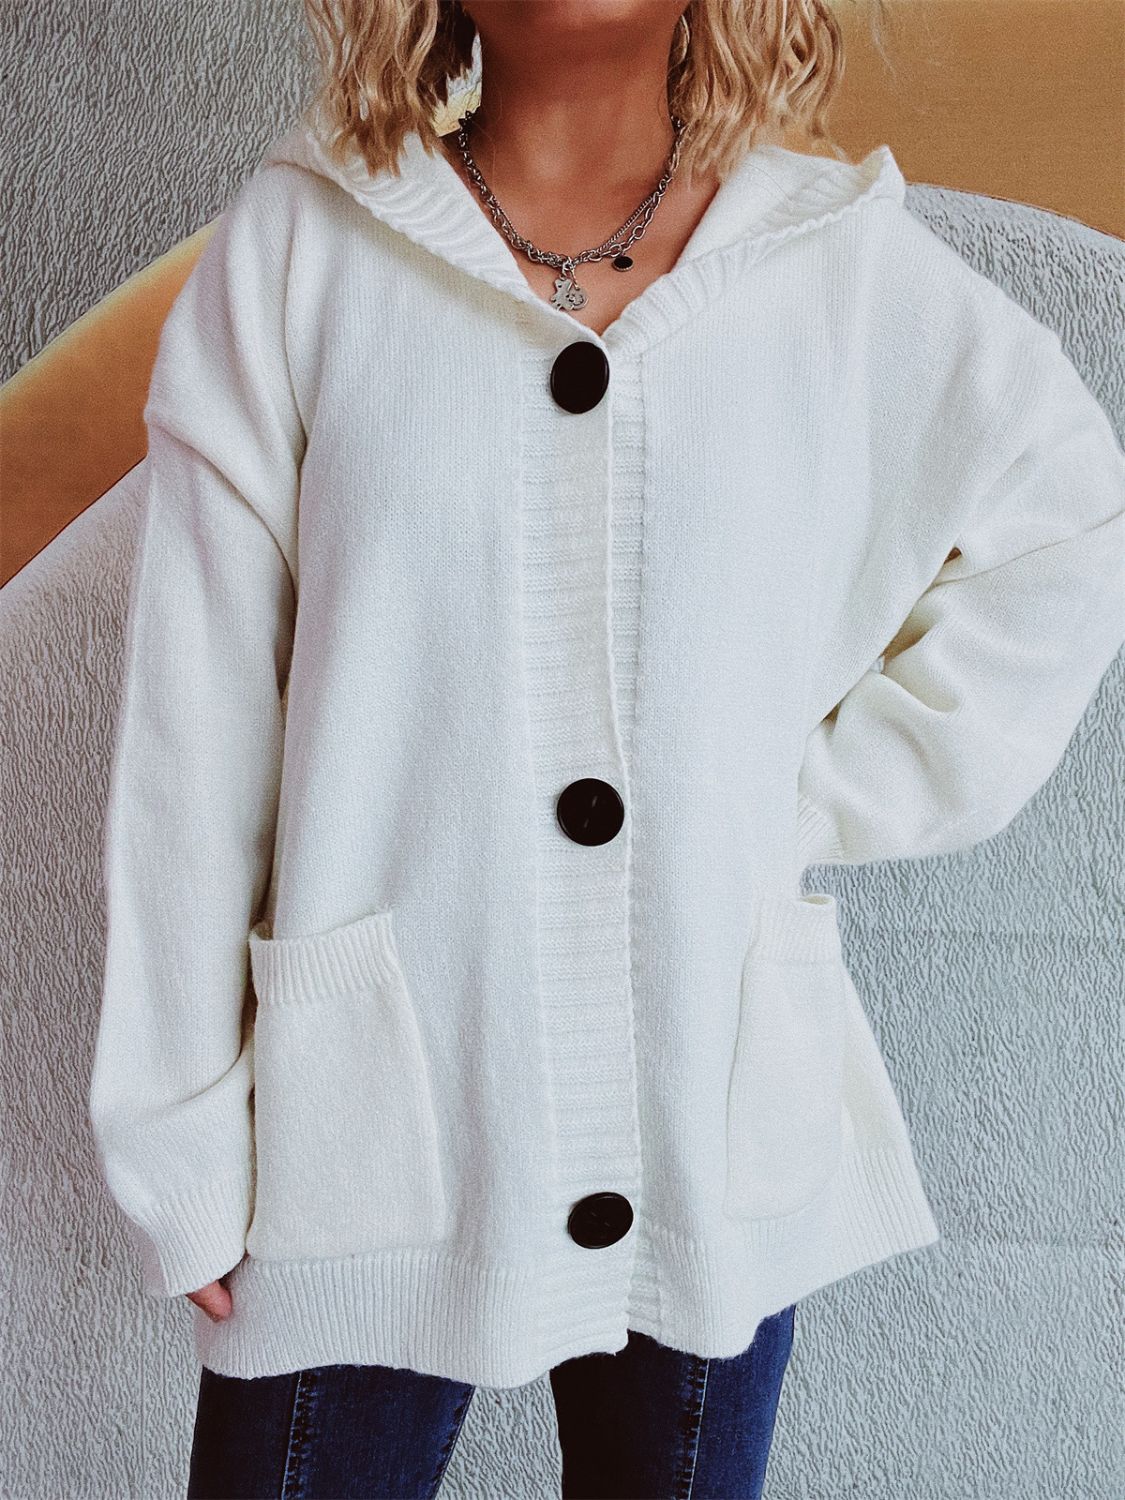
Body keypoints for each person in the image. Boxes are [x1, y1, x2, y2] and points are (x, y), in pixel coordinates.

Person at [87, 1, 1125, 1497]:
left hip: (702, 1107)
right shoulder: (305, 250)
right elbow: (195, 732)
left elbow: (1068, 519)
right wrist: (178, 1128)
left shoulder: (829, 264)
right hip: (371, 1130)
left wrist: (791, 802)